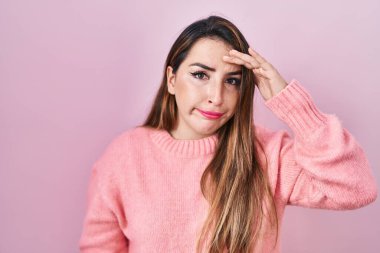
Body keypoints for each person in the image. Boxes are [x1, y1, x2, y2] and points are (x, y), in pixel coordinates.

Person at [78, 15, 378, 253]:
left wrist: (292, 104)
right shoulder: (124, 157)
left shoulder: (267, 154)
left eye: (232, 81)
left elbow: (357, 189)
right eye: (200, 75)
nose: (217, 96)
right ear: (171, 79)